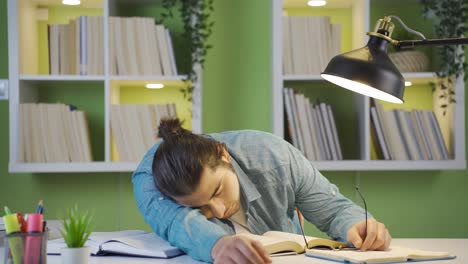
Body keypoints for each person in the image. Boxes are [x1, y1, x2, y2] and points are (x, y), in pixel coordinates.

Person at [132, 118, 391, 264]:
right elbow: (177, 221)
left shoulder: (274, 156)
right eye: (201, 208)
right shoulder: (151, 179)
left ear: (223, 155)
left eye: (217, 191)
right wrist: (218, 245)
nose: (219, 210)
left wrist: (359, 225)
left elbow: (334, 211)